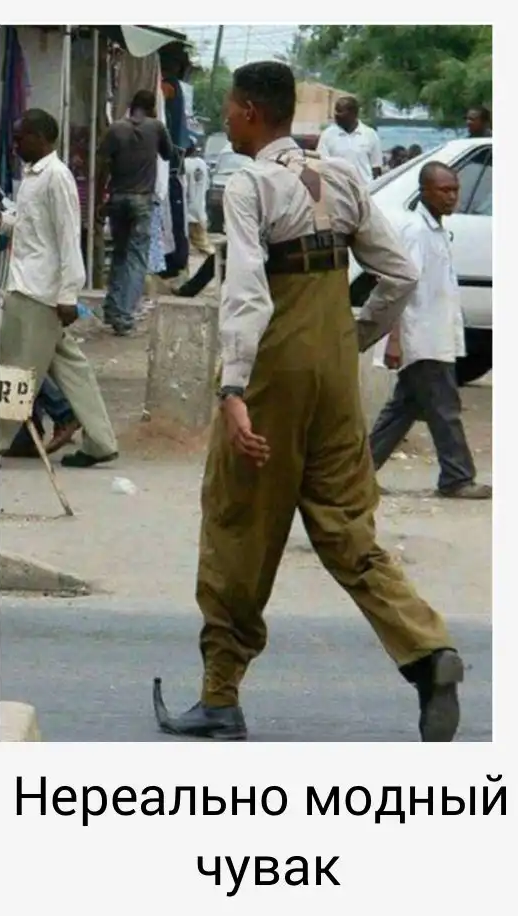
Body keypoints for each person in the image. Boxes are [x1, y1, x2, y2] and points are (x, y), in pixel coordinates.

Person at [154, 61, 465, 744]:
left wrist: (233, 389)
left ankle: (220, 696)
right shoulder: (345, 176)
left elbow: (246, 292)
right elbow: (399, 272)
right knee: (348, 526)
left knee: (239, 525)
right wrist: (354, 335)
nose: (228, 117)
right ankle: (426, 649)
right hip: (333, 367)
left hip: (276, 368)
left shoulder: (250, 184)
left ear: (247, 112)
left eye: (231, 108)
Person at [0, 108, 118, 468]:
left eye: (20, 138)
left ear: (40, 138)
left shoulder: (56, 177)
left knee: (14, 370)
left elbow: (68, 238)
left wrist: (68, 295)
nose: (15, 145)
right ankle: (101, 441)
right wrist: (4, 222)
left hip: (38, 291)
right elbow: (33, 228)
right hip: (31, 285)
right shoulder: (33, 177)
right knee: (71, 368)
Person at [369, 163, 492, 500]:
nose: (451, 197)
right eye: (444, 190)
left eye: (455, 190)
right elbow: (400, 285)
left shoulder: (435, 230)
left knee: (403, 409)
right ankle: (457, 476)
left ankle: (356, 475)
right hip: (421, 337)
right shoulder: (416, 231)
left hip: (435, 334)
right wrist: (395, 339)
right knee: (445, 408)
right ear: (424, 192)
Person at [96, 90, 172, 335]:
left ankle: (112, 308)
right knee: (136, 258)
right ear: (152, 109)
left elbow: (101, 166)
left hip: (117, 198)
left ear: (131, 106)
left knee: (119, 254)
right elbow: (168, 154)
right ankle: (124, 316)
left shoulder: (115, 129)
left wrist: (100, 200)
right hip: (142, 201)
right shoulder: (156, 127)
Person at [316, 94, 383, 184]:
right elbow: (321, 164)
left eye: (341, 114)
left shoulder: (370, 134)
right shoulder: (327, 135)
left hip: (364, 189)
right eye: (336, 114)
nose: (337, 117)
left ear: (354, 114)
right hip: (338, 189)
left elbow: (376, 167)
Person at [184, 144, 214, 256]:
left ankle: (216, 258)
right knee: (200, 242)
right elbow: (207, 186)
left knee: (202, 244)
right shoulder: (202, 163)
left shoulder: (184, 164)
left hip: (189, 212)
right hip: (200, 209)